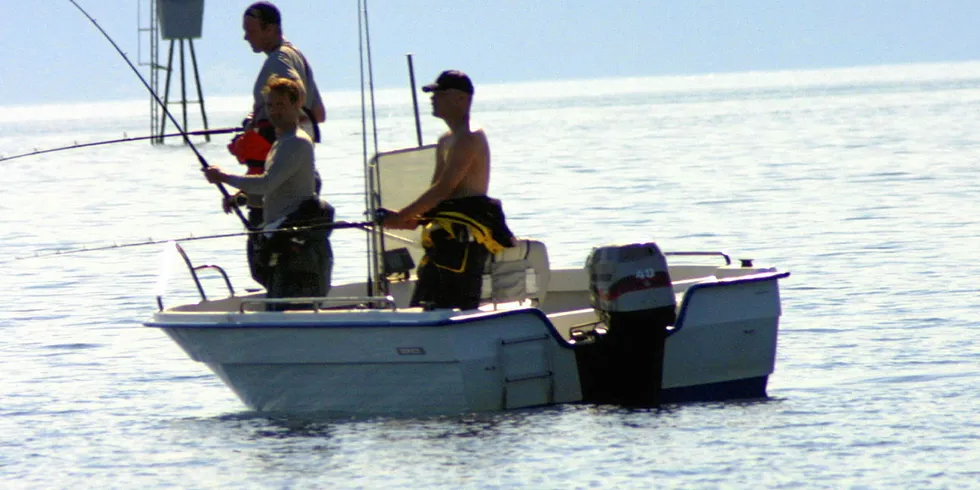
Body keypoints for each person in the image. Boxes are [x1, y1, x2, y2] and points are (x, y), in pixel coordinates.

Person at [383, 70, 515, 310]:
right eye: (433, 94)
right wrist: (410, 219)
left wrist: (401, 215)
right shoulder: (445, 139)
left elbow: (444, 189)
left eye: (440, 93)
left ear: (462, 99)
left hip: (463, 242)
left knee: (455, 306)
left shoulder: (470, 137)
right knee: (424, 305)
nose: (433, 98)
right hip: (442, 239)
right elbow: (436, 193)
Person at [206, 75, 333, 305]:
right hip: (281, 238)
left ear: (296, 105)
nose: (274, 111)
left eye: (281, 105)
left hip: (298, 248)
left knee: (291, 310)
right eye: (270, 105)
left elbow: (267, 183)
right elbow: (278, 188)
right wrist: (243, 198)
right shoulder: (281, 142)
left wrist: (223, 177)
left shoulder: (296, 142)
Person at [228, 1, 327, 287]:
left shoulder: (279, 62)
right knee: (277, 259)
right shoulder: (295, 55)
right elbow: (318, 113)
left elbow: (290, 99)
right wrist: (255, 117)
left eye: (250, 30)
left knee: (266, 260)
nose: (246, 37)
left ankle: (284, 307)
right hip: (298, 171)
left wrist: (265, 126)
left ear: (270, 29)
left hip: (282, 171)